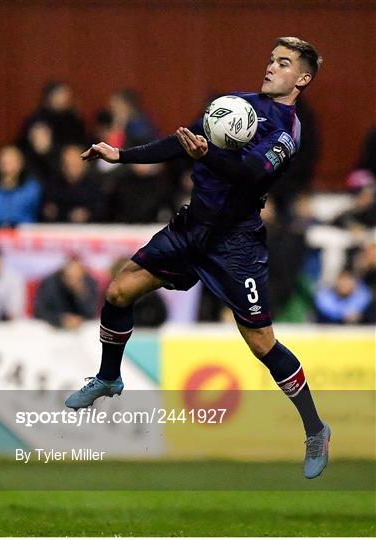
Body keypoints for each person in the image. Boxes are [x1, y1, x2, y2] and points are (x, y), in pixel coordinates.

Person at [65, 37, 330, 479]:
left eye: (282, 64)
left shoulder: (287, 132)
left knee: (262, 343)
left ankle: (316, 428)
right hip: (191, 228)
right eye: (270, 59)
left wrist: (211, 156)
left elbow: (251, 172)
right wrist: (122, 156)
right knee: (119, 290)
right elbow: (182, 141)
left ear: (301, 79)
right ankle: (109, 376)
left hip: (235, 245)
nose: (270, 68)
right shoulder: (234, 106)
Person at [0, 145, 41, 226]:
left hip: (23, 233)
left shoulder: (32, 187)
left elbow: (36, 214)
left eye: (11, 161)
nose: (7, 165)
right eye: (4, 161)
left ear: (21, 164)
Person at [34, 256, 99, 329]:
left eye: (77, 278)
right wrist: (60, 320)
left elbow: (92, 314)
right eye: (69, 277)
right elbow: (39, 311)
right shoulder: (51, 283)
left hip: (81, 330)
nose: (73, 281)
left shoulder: (90, 284)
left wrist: (81, 295)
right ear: (63, 274)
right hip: (53, 329)